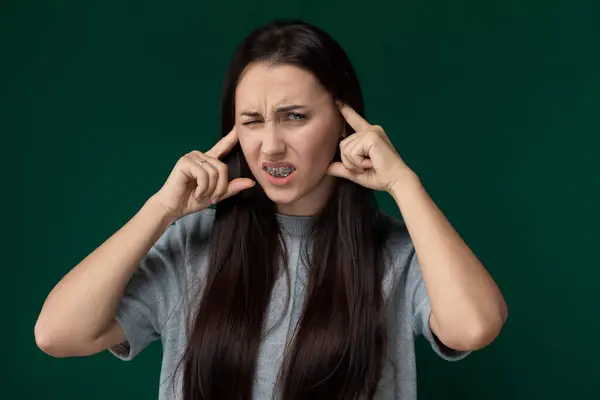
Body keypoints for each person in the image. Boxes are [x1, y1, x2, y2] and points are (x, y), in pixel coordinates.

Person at [34, 19, 508, 400]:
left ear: (346, 123)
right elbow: (57, 334)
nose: (271, 146)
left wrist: (404, 183)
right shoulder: (189, 246)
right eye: (252, 122)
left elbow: (473, 326)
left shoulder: (398, 255)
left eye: (294, 117)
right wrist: (160, 209)